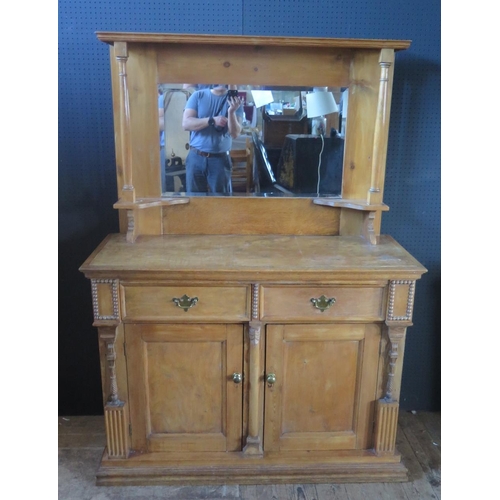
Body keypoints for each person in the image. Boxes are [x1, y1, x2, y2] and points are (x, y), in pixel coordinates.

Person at [182, 85, 243, 193]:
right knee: (194, 200)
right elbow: (186, 124)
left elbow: (235, 133)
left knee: (222, 203)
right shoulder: (198, 95)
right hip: (196, 157)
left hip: (220, 159)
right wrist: (212, 120)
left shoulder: (235, 101)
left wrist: (231, 112)